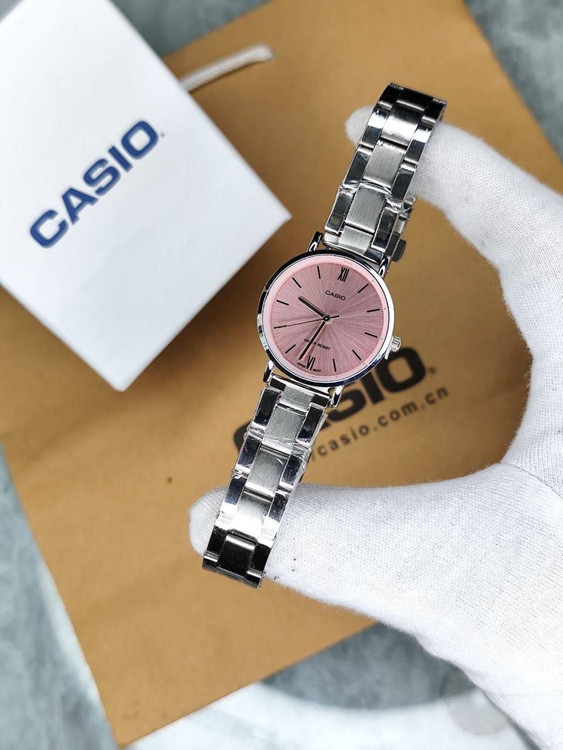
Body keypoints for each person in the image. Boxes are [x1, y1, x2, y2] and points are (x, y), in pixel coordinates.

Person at [190, 107, 563, 750]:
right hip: (301, 369)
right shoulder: (320, 308)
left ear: (381, 342)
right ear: (273, 309)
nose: (325, 319)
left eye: (350, 325)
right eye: (311, 311)